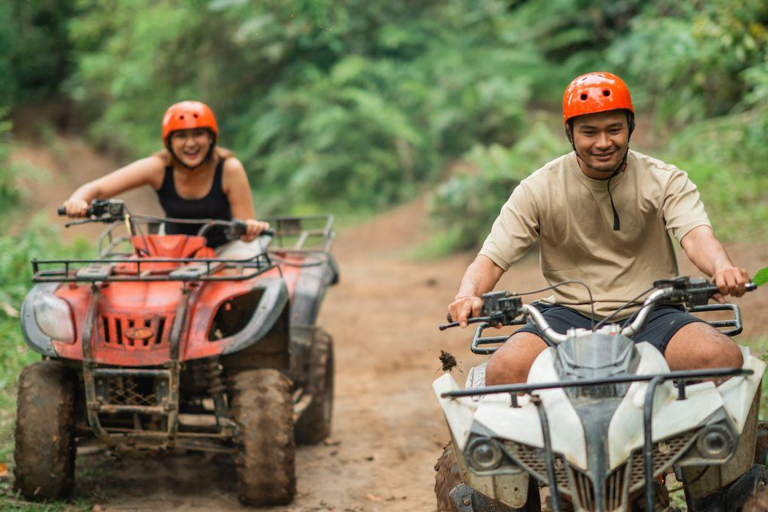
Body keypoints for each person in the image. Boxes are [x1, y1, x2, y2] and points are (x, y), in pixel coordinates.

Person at [447, 72, 750, 386]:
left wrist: (722, 268)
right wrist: (468, 294)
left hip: (653, 311)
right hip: (566, 314)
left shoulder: (664, 179)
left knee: (721, 358)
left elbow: (697, 236)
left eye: (614, 129)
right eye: (589, 132)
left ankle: (693, 436)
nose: (603, 143)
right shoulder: (538, 188)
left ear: (630, 127)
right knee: (504, 370)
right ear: (570, 133)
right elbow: (492, 258)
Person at [62, 101, 270, 249]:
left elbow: (246, 234)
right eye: (181, 136)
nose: (190, 143)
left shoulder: (229, 169)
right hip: (173, 248)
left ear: (211, 138)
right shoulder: (158, 168)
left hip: (226, 249)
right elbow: (97, 188)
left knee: (247, 282)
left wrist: (250, 230)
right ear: (169, 142)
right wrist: (78, 200)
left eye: (198, 134)